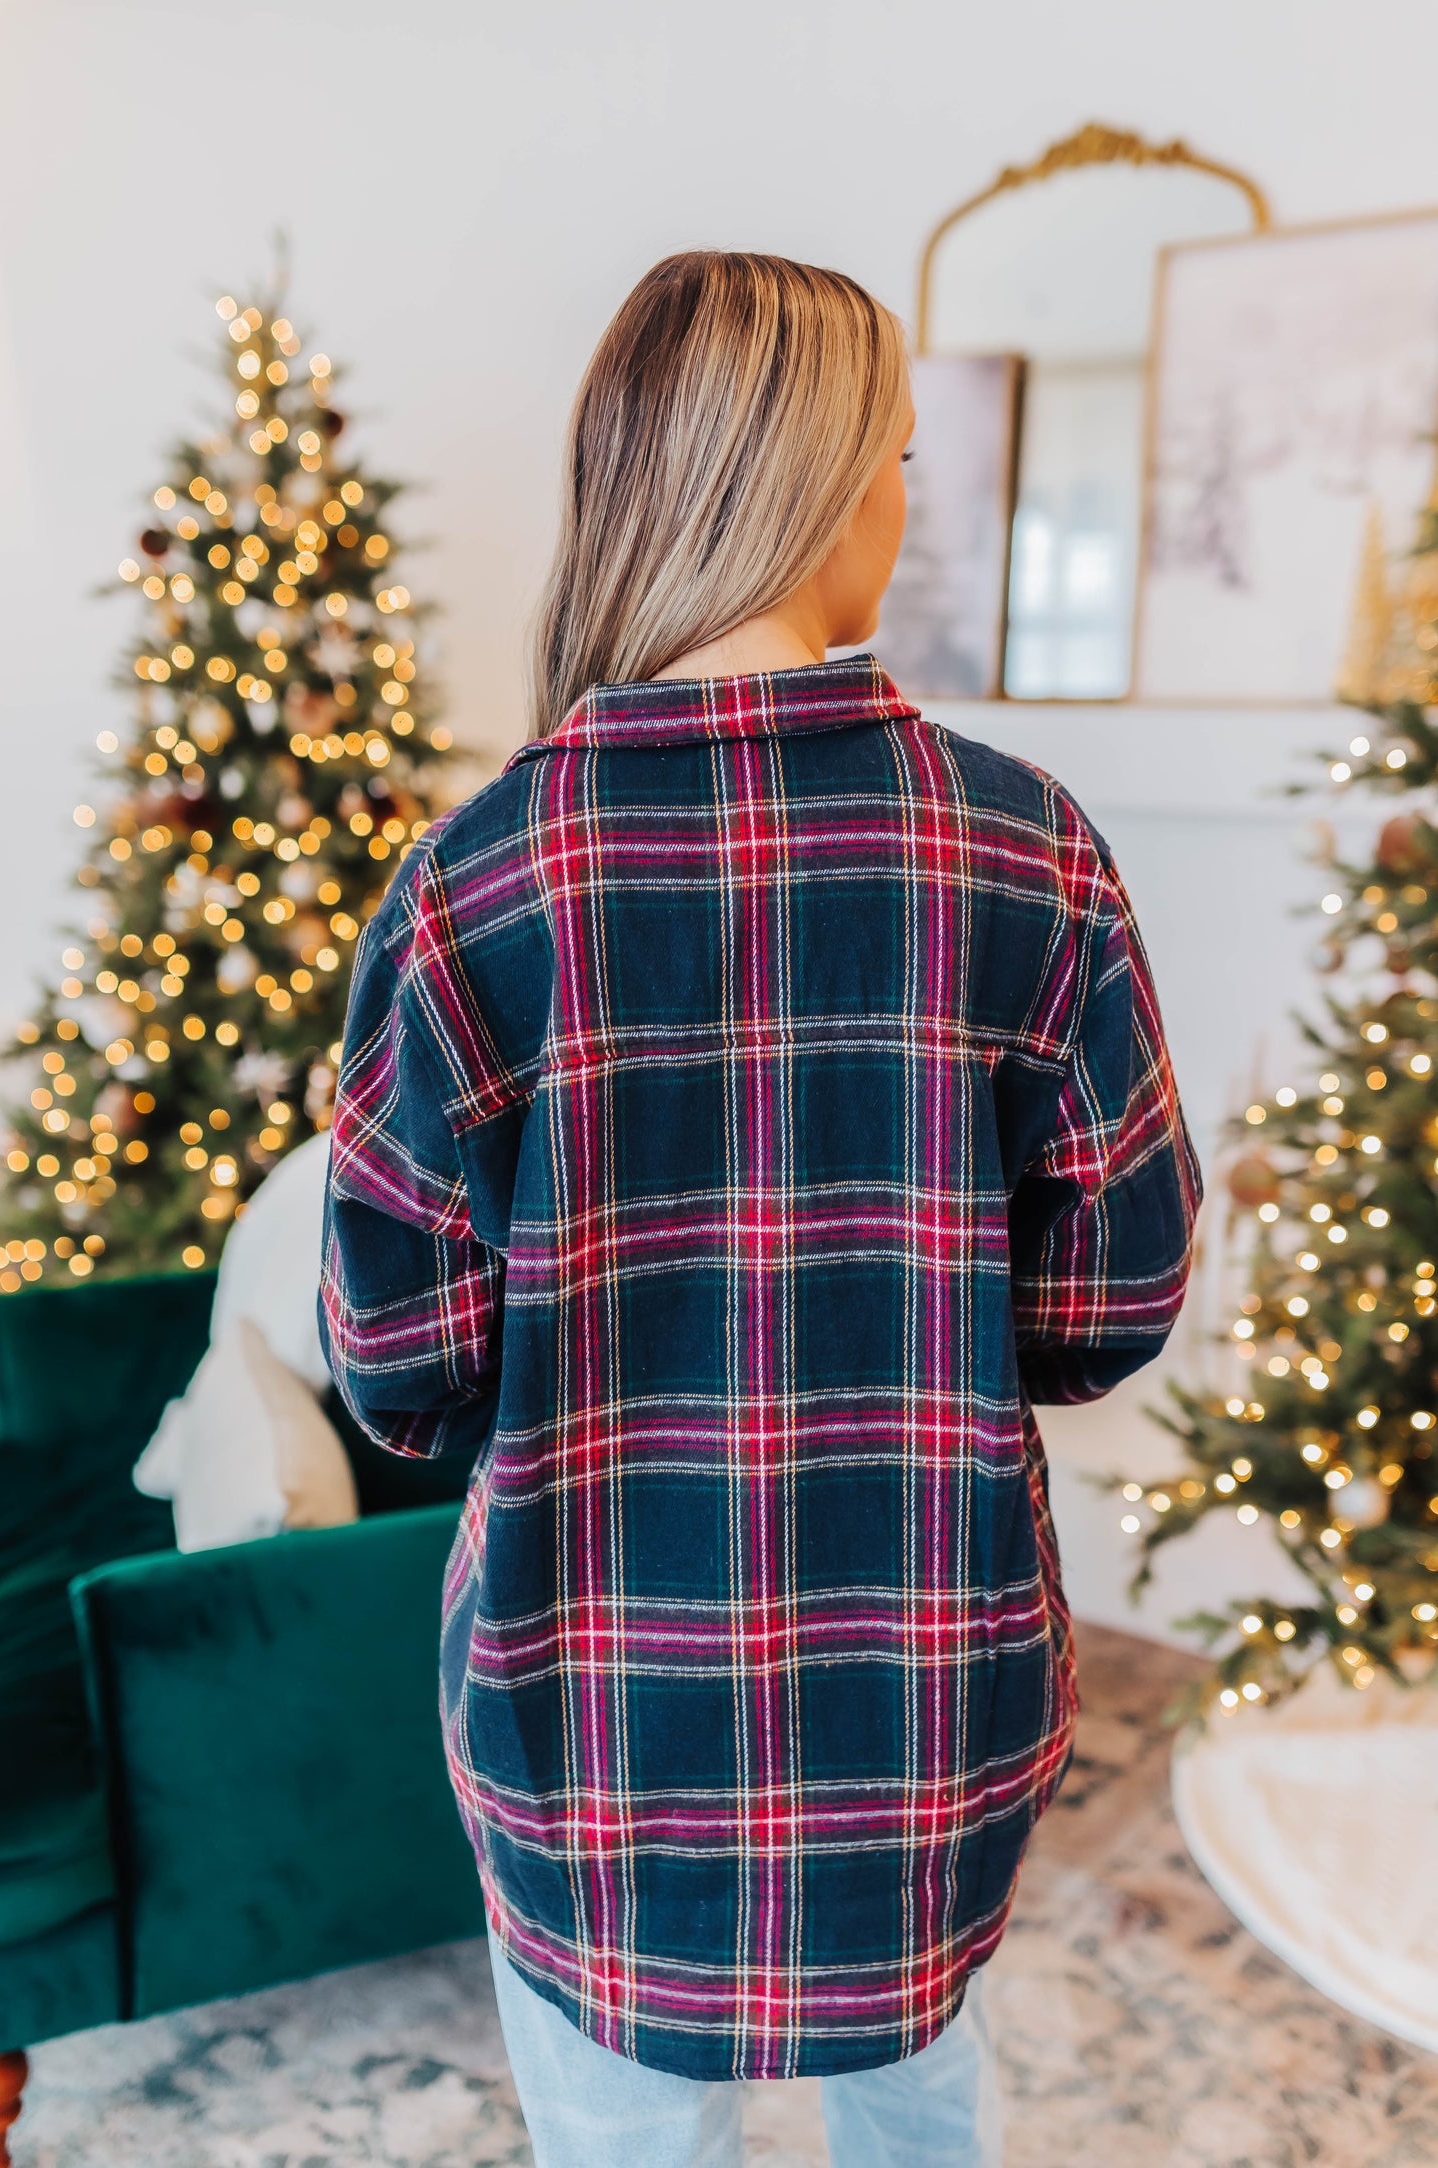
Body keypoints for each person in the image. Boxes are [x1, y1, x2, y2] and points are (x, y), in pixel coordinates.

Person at [320, 251, 1201, 2168]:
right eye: (894, 457)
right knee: (915, 2123)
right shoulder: (1025, 847)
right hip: (921, 1720)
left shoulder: (478, 881)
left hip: (592, 1732)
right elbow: (1112, 1299)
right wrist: (937, 1329)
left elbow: (393, 1363)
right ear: (826, 491)